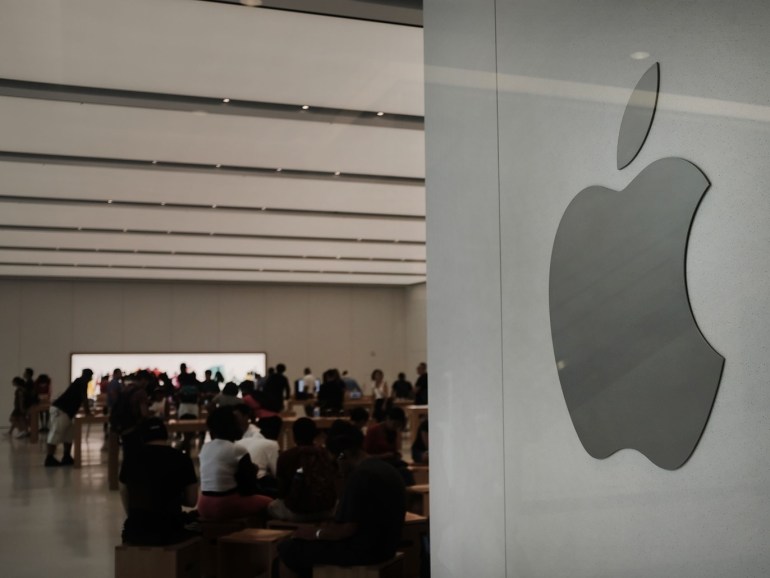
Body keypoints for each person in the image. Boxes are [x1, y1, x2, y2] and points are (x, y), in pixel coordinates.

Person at [278, 421, 406, 578]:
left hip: (363, 551)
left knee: (289, 549)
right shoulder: (387, 469)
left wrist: (315, 533)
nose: (336, 468)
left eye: (335, 462)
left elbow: (346, 529)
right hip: (386, 547)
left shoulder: (360, 476)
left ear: (342, 455)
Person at [119, 418, 198, 546]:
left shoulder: (131, 458)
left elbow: (124, 490)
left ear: (142, 437)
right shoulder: (182, 458)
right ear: (165, 434)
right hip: (171, 529)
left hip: (136, 530)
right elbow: (192, 501)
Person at [197, 406, 272, 521]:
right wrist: (254, 470)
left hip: (203, 503)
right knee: (269, 502)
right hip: (225, 504)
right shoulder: (237, 449)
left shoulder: (205, 448)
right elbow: (248, 488)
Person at [268, 418, 337, 523]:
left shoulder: (286, 456)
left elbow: (281, 491)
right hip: (327, 511)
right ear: (315, 435)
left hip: (297, 513)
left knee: (272, 506)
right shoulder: (326, 454)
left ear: (294, 436)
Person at [45, 369, 92, 467]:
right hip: (61, 411)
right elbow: (84, 398)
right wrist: (88, 412)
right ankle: (49, 458)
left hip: (67, 412)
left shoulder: (79, 382)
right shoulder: (81, 382)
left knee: (69, 434)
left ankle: (66, 456)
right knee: (56, 433)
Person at [235, 413, 282, 497]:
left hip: (236, 483)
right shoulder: (272, 444)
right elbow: (277, 473)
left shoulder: (241, 441)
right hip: (256, 483)